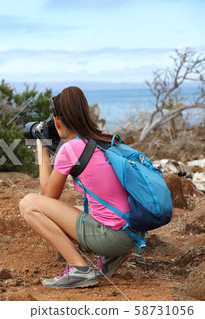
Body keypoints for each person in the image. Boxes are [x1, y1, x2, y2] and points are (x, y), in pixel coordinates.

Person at [19, 86, 137, 289]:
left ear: (57, 121)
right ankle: (112, 255)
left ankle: (79, 269)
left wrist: (42, 147)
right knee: (84, 209)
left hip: (112, 235)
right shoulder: (105, 138)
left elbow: (49, 195)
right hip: (132, 229)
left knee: (28, 204)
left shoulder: (71, 148)